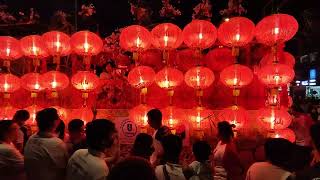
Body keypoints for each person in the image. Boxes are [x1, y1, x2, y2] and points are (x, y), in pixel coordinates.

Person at [24, 108, 69, 180]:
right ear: (56, 122)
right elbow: (64, 168)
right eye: (58, 118)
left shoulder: (31, 138)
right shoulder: (57, 143)